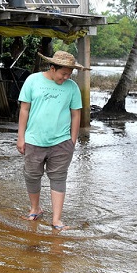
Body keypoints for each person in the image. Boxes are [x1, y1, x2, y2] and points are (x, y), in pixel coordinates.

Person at [16, 50, 85, 232]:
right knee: (31, 175)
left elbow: (76, 113)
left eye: (69, 75)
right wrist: (21, 137)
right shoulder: (32, 81)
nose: (66, 78)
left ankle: (56, 220)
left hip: (61, 142)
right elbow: (24, 109)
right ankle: (35, 209)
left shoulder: (72, 87)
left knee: (58, 178)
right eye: (63, 74)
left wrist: (73, 140)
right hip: (33, 139)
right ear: (53, 68)